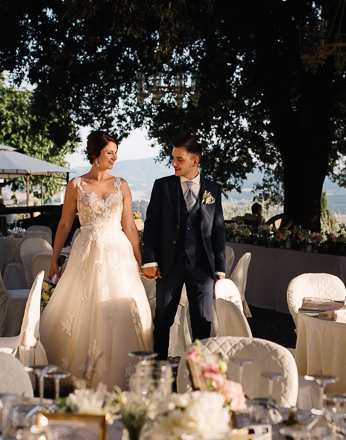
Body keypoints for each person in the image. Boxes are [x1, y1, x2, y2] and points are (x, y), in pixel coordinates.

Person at [40, 131, 153, 389]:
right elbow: (65, 224)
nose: (114, 158)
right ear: (95, 155)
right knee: (82, 309)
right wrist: (54, 259)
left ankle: (119, 375)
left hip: (118, 255)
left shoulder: (122, 185)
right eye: (109, 153)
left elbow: (130, 227)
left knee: (118, 311)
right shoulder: (76, 185)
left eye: (115, 153)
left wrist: (142, 261)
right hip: (86, 253)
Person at [141, 136, 227, 357]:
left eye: (179, 159)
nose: (174, 164)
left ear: (194, 161)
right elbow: (151, 225)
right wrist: (150, 259)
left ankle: (199, 373)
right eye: (173, 159)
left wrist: (220, 269)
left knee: (202, 322)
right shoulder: (163, 186)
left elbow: (217, 230)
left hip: (202, 267)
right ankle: (158, 368)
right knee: (163, 320)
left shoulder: (212, 190)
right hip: (169, 264)